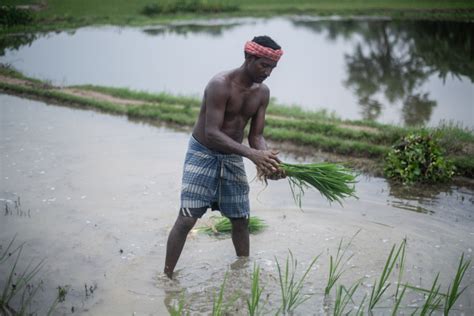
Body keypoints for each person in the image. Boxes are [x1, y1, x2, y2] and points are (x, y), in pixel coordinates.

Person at [164, 35, 285, 279]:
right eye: (264, 65)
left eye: (272, 67)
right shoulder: (220, 84)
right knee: (187, 219)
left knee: (241, 219)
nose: (269, 72)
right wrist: (252, 154)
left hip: (232, 154)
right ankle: (166, 276)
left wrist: (267, 157)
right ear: (249, 57)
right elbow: (211, 133)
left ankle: (242, 272)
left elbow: (256, 137)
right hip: (203, 152)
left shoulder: (262, 93)